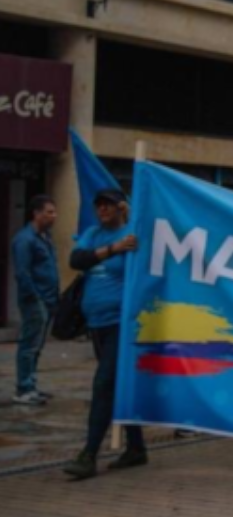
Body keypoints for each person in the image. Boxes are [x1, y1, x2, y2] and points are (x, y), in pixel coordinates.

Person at [63, 189, 147, 480]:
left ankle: (88, 455)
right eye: (98, 204)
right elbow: (77, 259)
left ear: (121, 207)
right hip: (96, 324)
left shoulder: (133, 234)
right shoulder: (93, 234)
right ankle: (136, 448)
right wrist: (113, 249)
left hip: (121, 326)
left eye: (108, 204)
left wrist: (129, 229)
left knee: (104, 385)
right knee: (118, 384)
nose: (102, 209)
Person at [11, 195, 59, 406]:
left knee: (37, 345)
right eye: (49, 212)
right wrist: (35, 297)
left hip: (48, 299)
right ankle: (23, 389)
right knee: (29, 345)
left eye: (54, 212)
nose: (54, 216)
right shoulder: (25, 239)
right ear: (36, 213)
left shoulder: (45, 237)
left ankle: (31, 385)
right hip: (35, 300)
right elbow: (22, 273)